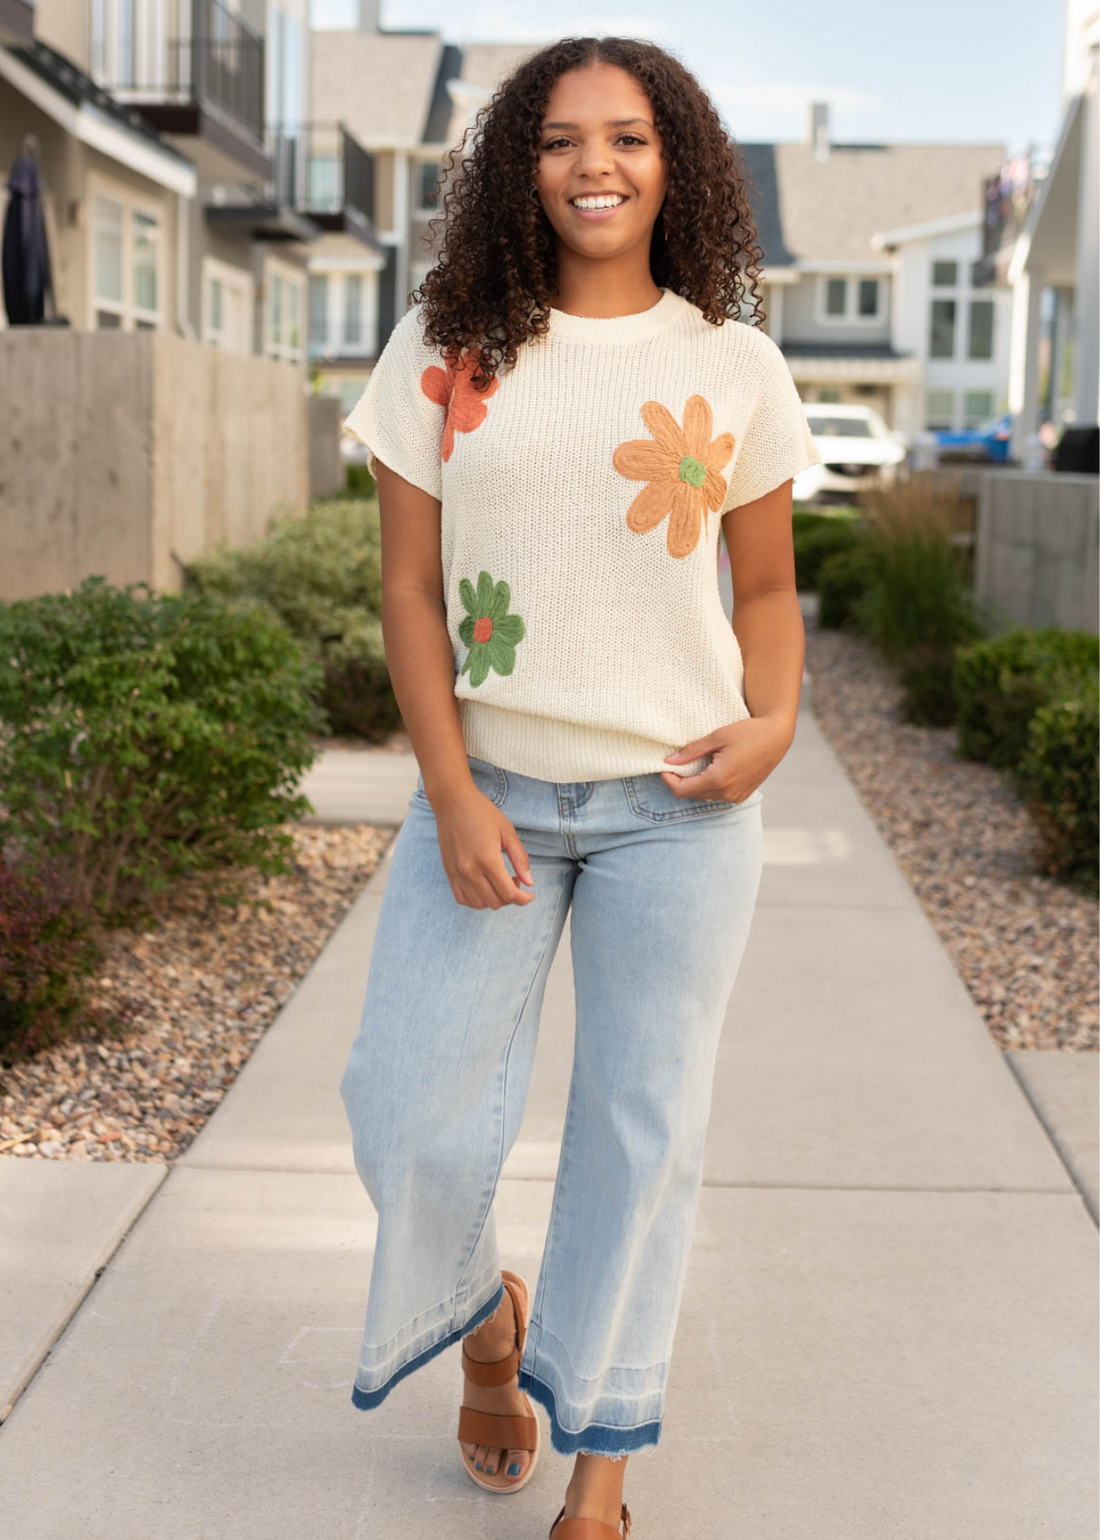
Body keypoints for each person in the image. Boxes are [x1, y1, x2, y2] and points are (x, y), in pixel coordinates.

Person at [339, 34, 822, 1540]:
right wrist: (452, 788)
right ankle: (490, 1324)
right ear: (517, 164)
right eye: (558, 138)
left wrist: (779, 717)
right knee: (404, 1111)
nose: (593, 164)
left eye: (626, 135)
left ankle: (600, 1479)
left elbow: (765, 593)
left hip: (679, 808)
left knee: (641, 1127)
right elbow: (410, 594)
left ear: (677, 160)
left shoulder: (731, 362)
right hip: (489, 794)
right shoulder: (446, 341)